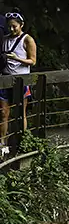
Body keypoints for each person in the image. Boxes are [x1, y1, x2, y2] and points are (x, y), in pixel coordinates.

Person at [0, 13, 37, 155]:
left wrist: (17, 59)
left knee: (21, 112)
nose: (11, 29)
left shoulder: (27, 39)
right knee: (3, 112)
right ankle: (3, 144)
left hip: (21, 80)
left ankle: (23, 143)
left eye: (14, 26)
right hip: (5, 79)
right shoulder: (4, 39)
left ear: (21, 25)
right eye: (9, 26)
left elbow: (32, 61)